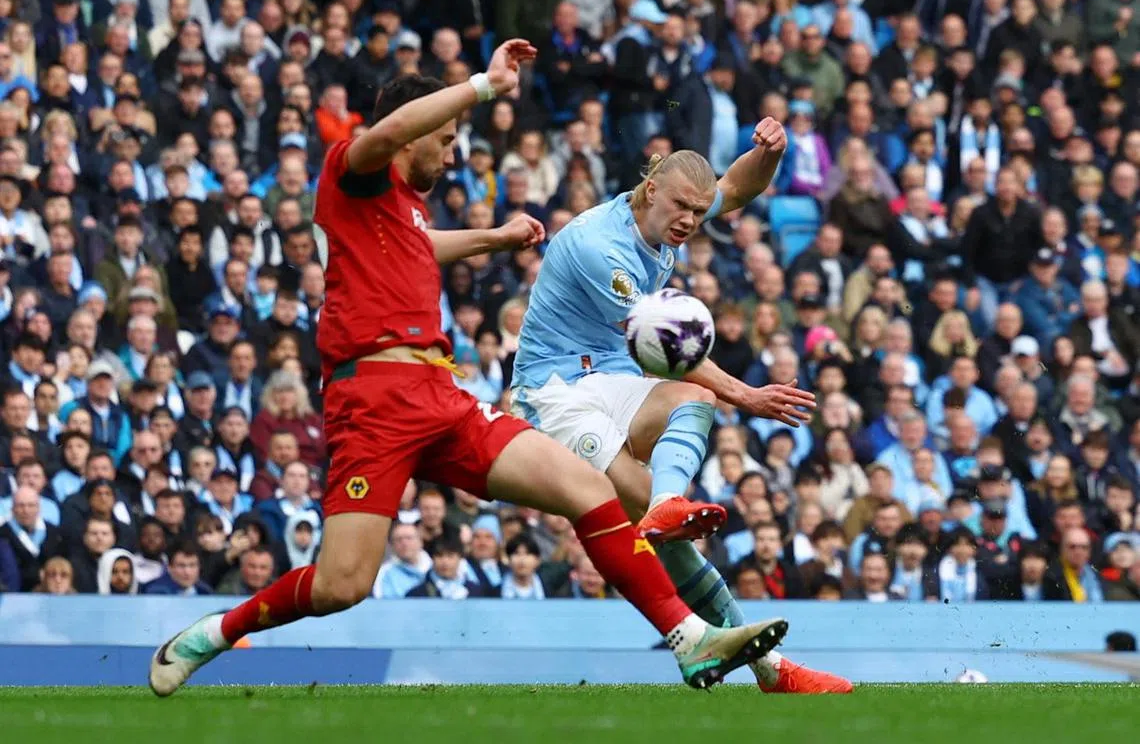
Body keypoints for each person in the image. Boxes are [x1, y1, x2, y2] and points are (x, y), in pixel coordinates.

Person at [149, 41, 786, 697]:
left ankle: (689, 639)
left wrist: (492, 238)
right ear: (414, 129)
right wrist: (484, 84)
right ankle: (215, 633)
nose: (452, 153)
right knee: (343, 586)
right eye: (446, 139)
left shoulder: (404, 207)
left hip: (439, 394)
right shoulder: (353, 169)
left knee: (587, 491)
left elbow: (416, 247)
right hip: (372, 404)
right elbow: (391, 131)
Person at [510, 120, 849, 692]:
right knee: (649, 508)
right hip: (555, 393)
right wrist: (747, 395)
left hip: (610, 379)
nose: (691, 221)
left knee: (690, 408)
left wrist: (768, 153)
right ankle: (770, 668)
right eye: (683, 208)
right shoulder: (602, 248)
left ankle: (671, 505)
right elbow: (668, 343)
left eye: (698, 210)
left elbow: (737, 189)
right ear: (649, 192)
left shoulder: (671, 214)